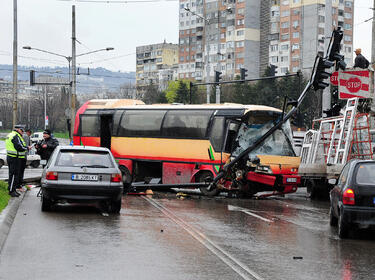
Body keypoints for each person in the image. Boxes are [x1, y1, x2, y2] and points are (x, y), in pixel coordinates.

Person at [5, 125, 29, 197]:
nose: (23, 132)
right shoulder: (16, 136)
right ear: (18, 129)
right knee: (14, 175)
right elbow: (19, 147)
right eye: (22, 131)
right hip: (14, 157)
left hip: (11, 157)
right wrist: (27, 148)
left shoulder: (10, 134)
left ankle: (12, 189)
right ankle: (12, 190)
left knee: (12, 174)